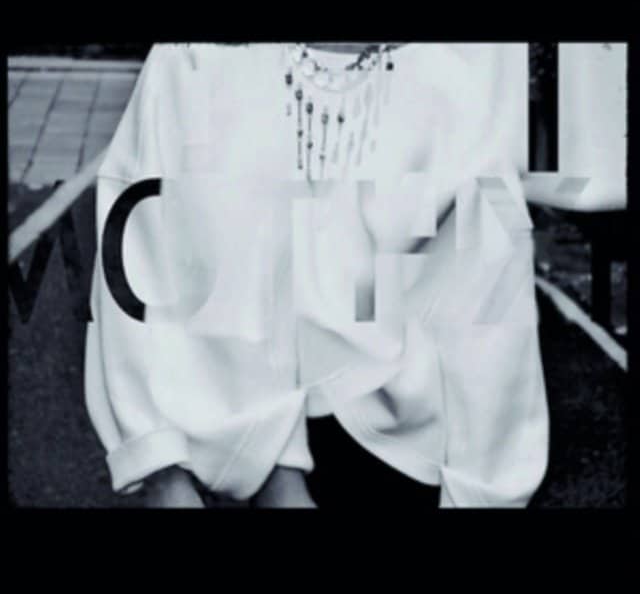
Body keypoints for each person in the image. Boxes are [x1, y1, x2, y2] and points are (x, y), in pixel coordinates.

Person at [84, 42, 550, 508]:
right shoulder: (192, 61)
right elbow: (134, 257)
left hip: (392, 448)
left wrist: (483, 492)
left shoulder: (451, 88)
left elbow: (491, 311)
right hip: (228, 438)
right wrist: (159, 466)